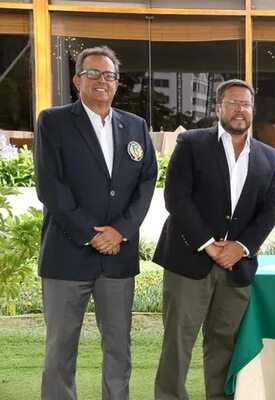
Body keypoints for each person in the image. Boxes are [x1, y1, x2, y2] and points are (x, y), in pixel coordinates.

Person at [34, 46, 157, 400]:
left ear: (117, 84)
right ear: (77, 80)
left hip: (117, 257)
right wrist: (92, 235)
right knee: (60, 350)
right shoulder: (53, 122)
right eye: (93, 74)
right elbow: (51, 188)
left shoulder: (135, 126)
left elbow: (147, 180)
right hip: (66, 256)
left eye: (109, 75)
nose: (102, 81)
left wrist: (120, 230)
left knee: (119, 348)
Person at [153, 79, 275, 400]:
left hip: (235, 267)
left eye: (246, 104)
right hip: (189, 260)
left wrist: (240, 247)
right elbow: (177, 198)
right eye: (233, 103)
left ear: (253, 110)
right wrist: (209, 245)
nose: (240, 110)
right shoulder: (192, 143)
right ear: (218, 108)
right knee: (178, 343)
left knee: (225, 345)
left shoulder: (268, 157)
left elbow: (271, 207)